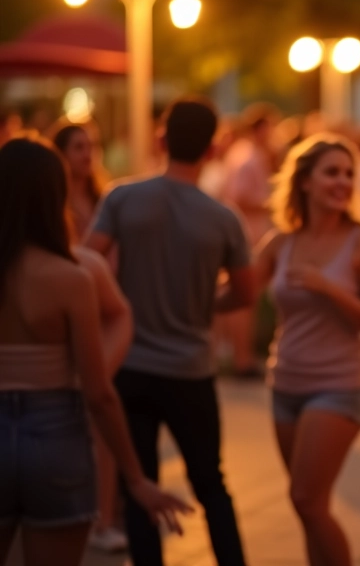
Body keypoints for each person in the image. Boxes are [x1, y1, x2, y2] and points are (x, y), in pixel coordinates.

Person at [0, 136, 191, 566]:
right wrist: (136, 479)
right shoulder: (72, 277)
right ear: (57, 194)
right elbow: (98, 392)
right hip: (55, 436)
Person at [84, 97, 254, 566]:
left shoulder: (122, 198)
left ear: (161, 139)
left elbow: (87, 260)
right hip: (191, 370)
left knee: (139, 482)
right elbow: (244, 293)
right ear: (214, 148)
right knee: (210, 484)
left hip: (130, 365)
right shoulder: (224, 220)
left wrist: (118, 304)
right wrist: (204, 303)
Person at [253, 134, 360, 566]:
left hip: (338, 386)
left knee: (306, 499)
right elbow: (236, 293)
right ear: (305, 182)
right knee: (309, 508)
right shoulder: (281, 242)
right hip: (285, 384)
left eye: (348, 174)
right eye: (331, 172)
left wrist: (329, 288)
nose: (342, 181)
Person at [50, 121, 130, 553]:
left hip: (102, 310)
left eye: (92, 145)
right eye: (78, 146)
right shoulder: (51, 201)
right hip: (63, 316)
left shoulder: (104, 198)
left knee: (102, 411)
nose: (87, 154)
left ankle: (104, 515)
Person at [219, 102, 279, 379]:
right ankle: (242, 358)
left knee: (244, 297)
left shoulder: (242, 154)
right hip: (251, 234)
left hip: (247, 233)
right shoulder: (249, 158)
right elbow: (240, 197)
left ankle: (239, 355)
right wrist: (272, 205)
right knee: (246, 298)